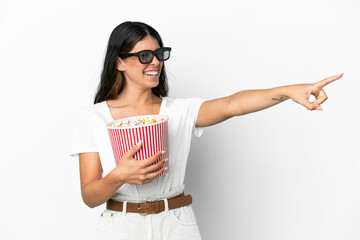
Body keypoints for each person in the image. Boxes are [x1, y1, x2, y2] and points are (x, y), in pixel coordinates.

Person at [69, 21, 343, 240]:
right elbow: (90, 196)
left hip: (176, 223)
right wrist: (118, 176)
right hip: (120, 227)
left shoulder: (178, 111)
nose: (155, 62)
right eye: (144, 56)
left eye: (159, 54)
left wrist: (287, 91)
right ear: (119, 62)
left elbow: (231, 104)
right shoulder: (94, 117)